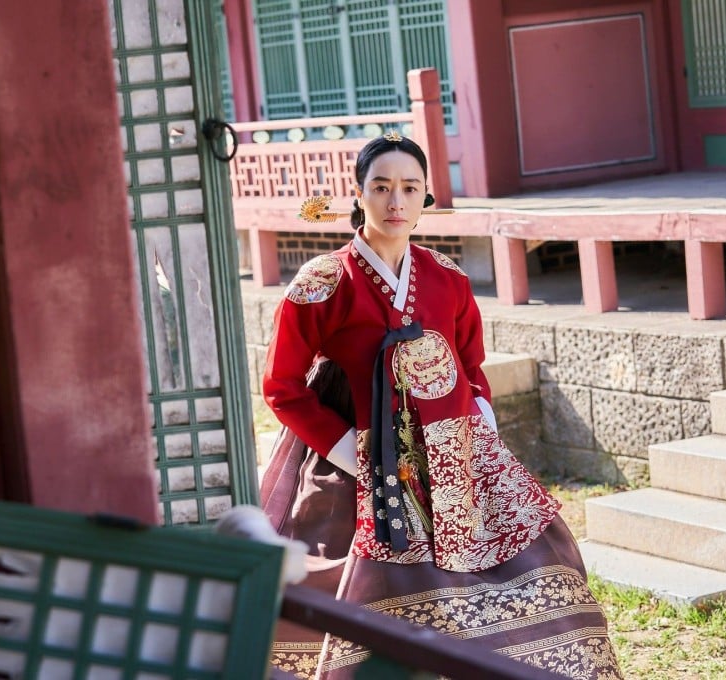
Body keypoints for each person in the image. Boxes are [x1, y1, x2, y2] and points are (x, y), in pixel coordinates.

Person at [260, 132, 622, 679]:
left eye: (410, 188)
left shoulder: (447, 278)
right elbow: (282, 386)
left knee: (533, 555)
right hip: (357, 456)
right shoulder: (323, 281)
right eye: (381, 187)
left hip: (453, 454)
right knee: (360, 587)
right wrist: (353, 455)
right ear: (358, 194)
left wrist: (478, 444)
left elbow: (472, 373)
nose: (395, 202)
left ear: (427, 196)